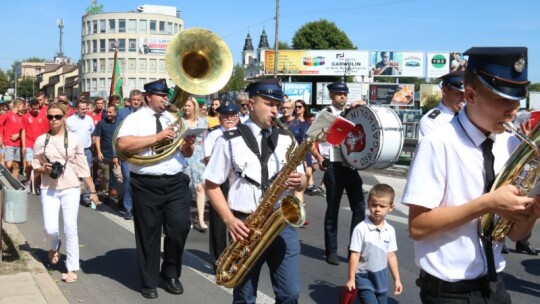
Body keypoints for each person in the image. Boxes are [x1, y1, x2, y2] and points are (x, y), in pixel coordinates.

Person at [402, 47, 540, 303]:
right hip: (449, 292)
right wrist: (487, 203)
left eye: (516, 100)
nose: (512, 110)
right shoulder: (438, 143)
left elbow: (514, 236)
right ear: (471, 95)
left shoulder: (509, 144)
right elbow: (417, 227)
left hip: (496, 284)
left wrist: (531, 214)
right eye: (502, 100)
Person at [204, 78, 306, 303]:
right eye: (269, 103)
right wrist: (229, 220)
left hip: (281, 223)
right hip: (245, 225)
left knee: (290, 293)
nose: (275, 110)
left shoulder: (287, 139)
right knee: (245, 296)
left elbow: (302, 182)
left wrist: (300, 182)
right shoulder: (227, 140)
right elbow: (211, 185)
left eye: (278, 105)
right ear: (251, 104)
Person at [116, 79, 196, 299]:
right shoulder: (135, 119)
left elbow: (186, 154)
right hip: (146, 184)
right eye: (160, 95)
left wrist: (188, 143)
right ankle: (149, 281)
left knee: (179, 228)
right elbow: (123, 145)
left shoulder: (175, 119)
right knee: (148, 234)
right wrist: (158, 138)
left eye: (166, 95)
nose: (165, 99)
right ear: (148, 96)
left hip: (176, 182)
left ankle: (170, 273)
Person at [32, 103, 99, 283]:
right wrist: (42, 168)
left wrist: (92, 190)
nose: (53, 120)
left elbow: (84, 167)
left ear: (64, 118)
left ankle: (71, 268)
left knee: (71, 228)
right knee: (50, 228)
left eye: (57, 117)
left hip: (70, 187)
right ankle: (54, 245)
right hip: (49, 188)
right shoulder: (41, 140)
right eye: (50, 117)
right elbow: (33, 163)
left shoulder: (74, 140)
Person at [312, 80, 366, 266]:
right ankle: (332, 251)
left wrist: (362, 107)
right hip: (333, 165)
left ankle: (355, 249)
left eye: (344, 94)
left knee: (359, 207)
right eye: (338, 94)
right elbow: (311, 139)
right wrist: (319, 159)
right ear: (331, 96)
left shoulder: (352, 113)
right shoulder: (326, 114)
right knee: (333, 209)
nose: (342, 96)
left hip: (350, 165)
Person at [346, 184, 402, 303]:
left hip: (381, 279)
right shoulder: (361, 228)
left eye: (382, 206)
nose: (377, 209)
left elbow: (391, 255)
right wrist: (351, 278)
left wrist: (397, 279)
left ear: (391, 207)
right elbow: (354, 255)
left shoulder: (390, 230)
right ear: (368, 204)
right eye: (374, 205)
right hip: (363, 278)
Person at [201, 102, 240, 272]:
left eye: (232, 115)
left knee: (238, 217)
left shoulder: (243, 133)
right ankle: (218, 259)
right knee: (218, 221)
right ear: (220, 117)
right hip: (220, 180)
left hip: (238, 179)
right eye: (225, 116)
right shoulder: (213, 134)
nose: (229, 119)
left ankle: (235, 256)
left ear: (237, 117)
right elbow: (207, 158)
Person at [116, 89, 145, 220]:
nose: (136, 102)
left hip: (141, 152)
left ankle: (139, 207)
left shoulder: (146, 113)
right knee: (127, 179)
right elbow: (115, 135)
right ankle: (128, 207)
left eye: (138, 100)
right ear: (130, 100)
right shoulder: (122, 113)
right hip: (126, 153)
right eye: (133, 100)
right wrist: (115, 155)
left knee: (140, 181)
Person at [181, 96, 208, 232]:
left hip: (199, 158)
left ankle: (201, 219)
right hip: (184, 156)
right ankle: (189, 218)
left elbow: (206, 141)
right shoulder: (180, 122)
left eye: (189, 106)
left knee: (200, 188)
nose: (186, 108)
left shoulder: (203, 121)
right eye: (185, 106)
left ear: (194, 107)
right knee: (186, 188)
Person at [418, 71, 465, 140]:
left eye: (466, 93)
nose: (463, 98)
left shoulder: (468, 116)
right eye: (459, 93)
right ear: (444, 91)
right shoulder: (431, 121)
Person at [66, 100, 95, 207]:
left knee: (87, 173)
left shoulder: (89, 119)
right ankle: (73, 194)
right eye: (82, 109)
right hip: (73, 151)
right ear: (76, 109)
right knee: (73, 173)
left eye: (86, 109)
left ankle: (86, 196)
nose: (85, 111)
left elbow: (93, 133)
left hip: (86, 150)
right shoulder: (69, 121)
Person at [93, 104, 121, 199]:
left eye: (110, 112)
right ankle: (105, 194)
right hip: (105, 154)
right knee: (106, 177)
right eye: (107, 112)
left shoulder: (119, 123)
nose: (108, 114)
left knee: (117, 176)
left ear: (115, 113)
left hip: (117, 154)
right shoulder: (101, 123)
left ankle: (116, 192)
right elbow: (97, 138)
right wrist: (99, 152)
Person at [22, 99, 48, 193]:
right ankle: (28, 182)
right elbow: (23, 131)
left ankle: (36, 184)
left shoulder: (43, 116)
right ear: (30, 107)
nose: (36, 110)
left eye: (37, 108)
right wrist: (24, 145)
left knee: (39, 166)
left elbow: (46, 132)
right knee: (29, 164)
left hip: (40, 145)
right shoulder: (25, 117)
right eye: (34, 109)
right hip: (29, 143)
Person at [0, 98, 25, 178]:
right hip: (8, 143)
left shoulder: (21, 117)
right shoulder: (7, 115)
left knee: (16, 165)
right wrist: (0, 138)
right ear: (18, 105)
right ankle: (6, 180)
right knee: (8, 164)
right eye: (22, 106)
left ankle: (15, 183)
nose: (23, 108)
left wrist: (18, 135)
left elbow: (23, 130)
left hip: (18, 144)